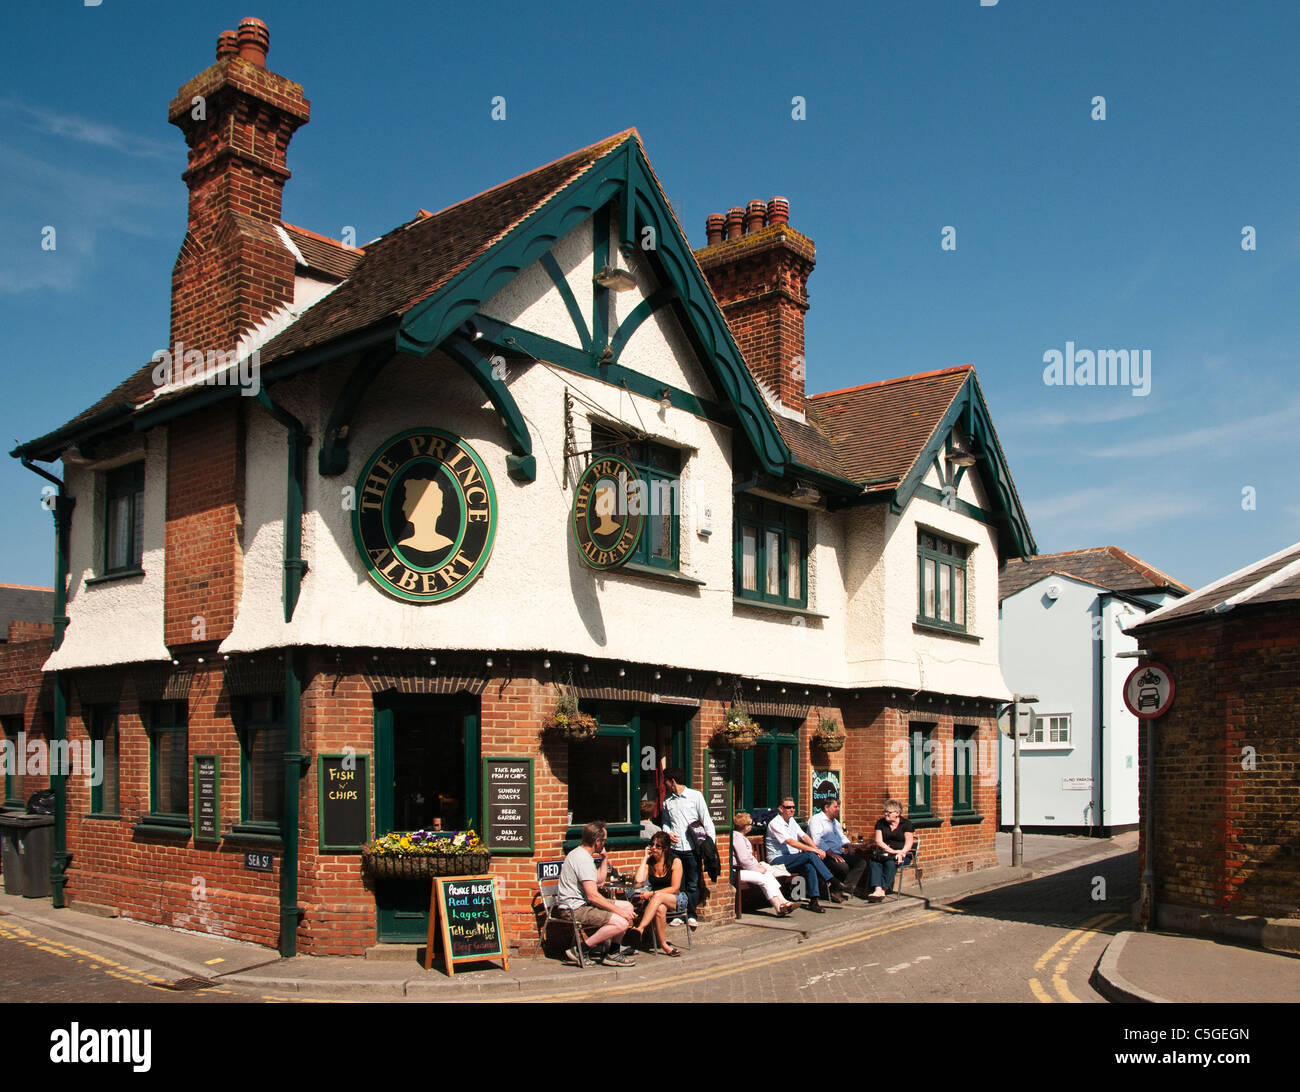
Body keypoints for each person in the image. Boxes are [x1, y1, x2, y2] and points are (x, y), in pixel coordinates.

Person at [553, 822, 637, 966]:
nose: (605, 843)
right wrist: (619, 911)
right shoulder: (583, 859)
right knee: (621, 922)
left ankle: (612, 953)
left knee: (628, 906)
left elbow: (599, 880)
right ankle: (580, 950)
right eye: (604, 841)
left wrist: (604, 859)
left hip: (583, 903)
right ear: (597, 841)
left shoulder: (582, 854)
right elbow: (593, 895)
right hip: (573, 908)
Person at [660, 766, 715, 928]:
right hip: (675, 849)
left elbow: (707, 819)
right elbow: (665, 822)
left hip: (693, 848)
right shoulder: (667, 802)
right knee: (678, 884)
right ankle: (678, 914)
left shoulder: (695, 796)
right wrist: (668, 832)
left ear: (673, 781)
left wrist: (711, 845)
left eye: (666, 782)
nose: (665, 785)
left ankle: (691, 914)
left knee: (692, 882)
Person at [764, 796, 836, 912]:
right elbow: (791, 842)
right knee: (809, 855)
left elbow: (803, 836)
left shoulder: (791, 821)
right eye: (788, 807)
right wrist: (814, 850)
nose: (792, 810)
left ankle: (814, 901)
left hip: (791, 858)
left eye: (793, 807)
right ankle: (833, 881)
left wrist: (815, 848)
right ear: (781, 809)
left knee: (809, 866)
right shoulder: (775, 823)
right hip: (777, 859)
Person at [630, 831, 686, 955]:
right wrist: (644, 858)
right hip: (657, 901)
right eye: (652, 844)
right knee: (660, 908)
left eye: (657, 846)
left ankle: (640, 928)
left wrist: (651, 894)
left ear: (665, 849)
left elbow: (675, 888)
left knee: (658, 896)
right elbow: (638, 881)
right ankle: (665, 946)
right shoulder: (650, 862)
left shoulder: (675, 861)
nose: (653, 848)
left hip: (676, 898)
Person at [731, 812, 796, 916]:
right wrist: (757, 869)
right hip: (737, 872)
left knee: (768, 875)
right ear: (745, 827)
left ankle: (784, 902)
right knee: (764, 878)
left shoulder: (740, 836)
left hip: (744, 870)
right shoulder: (737, 837)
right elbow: (744, 859)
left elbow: (748, 859)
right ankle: (778, 907)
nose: (751, 826)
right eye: (750, 824)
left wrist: (758, 866)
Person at [808, 796, 869, 897]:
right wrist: (831, 853)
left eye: (839, 807)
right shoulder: (816, 820)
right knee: (843, 867)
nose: (838, 809)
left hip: (838, 853)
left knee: (861, 863)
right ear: (826, 808)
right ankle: (835, 890)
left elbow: (841, 836)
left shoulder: (835, 822)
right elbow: (817, 840)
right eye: (835, 807)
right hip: (824, 855)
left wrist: (848, 845)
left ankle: (846, 889)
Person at [868, 799, 916, 901]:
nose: (886, 814)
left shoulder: (906, 824)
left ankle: (883, 890)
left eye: (888, 812)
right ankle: (877, 889)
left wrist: (902, 853)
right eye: (884, 812)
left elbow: (909, 843)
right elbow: (879, 841)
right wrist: (893, 851)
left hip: (903, 853)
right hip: (887, 852)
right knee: (875, 861)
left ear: (897, 813)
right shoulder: (880, 823)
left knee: (891, 863)